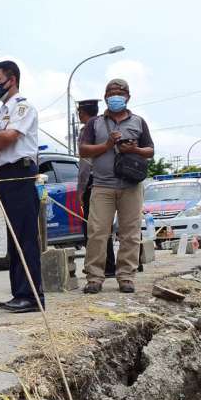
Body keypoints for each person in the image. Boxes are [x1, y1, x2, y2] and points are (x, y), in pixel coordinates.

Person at [79, 78, 154, 294]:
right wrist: (107, 145)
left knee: (130, 233)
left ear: (128, 97)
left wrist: (135, 150)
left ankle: (126, 277)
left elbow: (150, 150)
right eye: (111, 93)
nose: (115, 96)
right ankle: (94, 277)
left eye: (120, 93)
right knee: (97, 232)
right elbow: (83, 150)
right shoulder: (94, 123)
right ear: (105, 97)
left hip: (131, 185)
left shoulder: (139, 122)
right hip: (102, 185)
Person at [0, 60, 43, 314]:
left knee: (25, 236)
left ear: (12, 79)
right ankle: (20, 292)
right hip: (4, 174)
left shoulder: (22, 107)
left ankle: (30, 295)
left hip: (20, 173)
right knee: (14, 237)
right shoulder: (0, 114)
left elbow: (8, 137)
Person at [76, 99, 117, 278]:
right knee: (108, 226)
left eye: (79, 112)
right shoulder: (107, 127)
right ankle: (113, 265)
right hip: (110, 180)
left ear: (82, 114)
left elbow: (85, 165)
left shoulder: (87, 131)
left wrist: (81, 189)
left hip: (95, 183)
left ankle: (104, 266)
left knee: (95, 228)